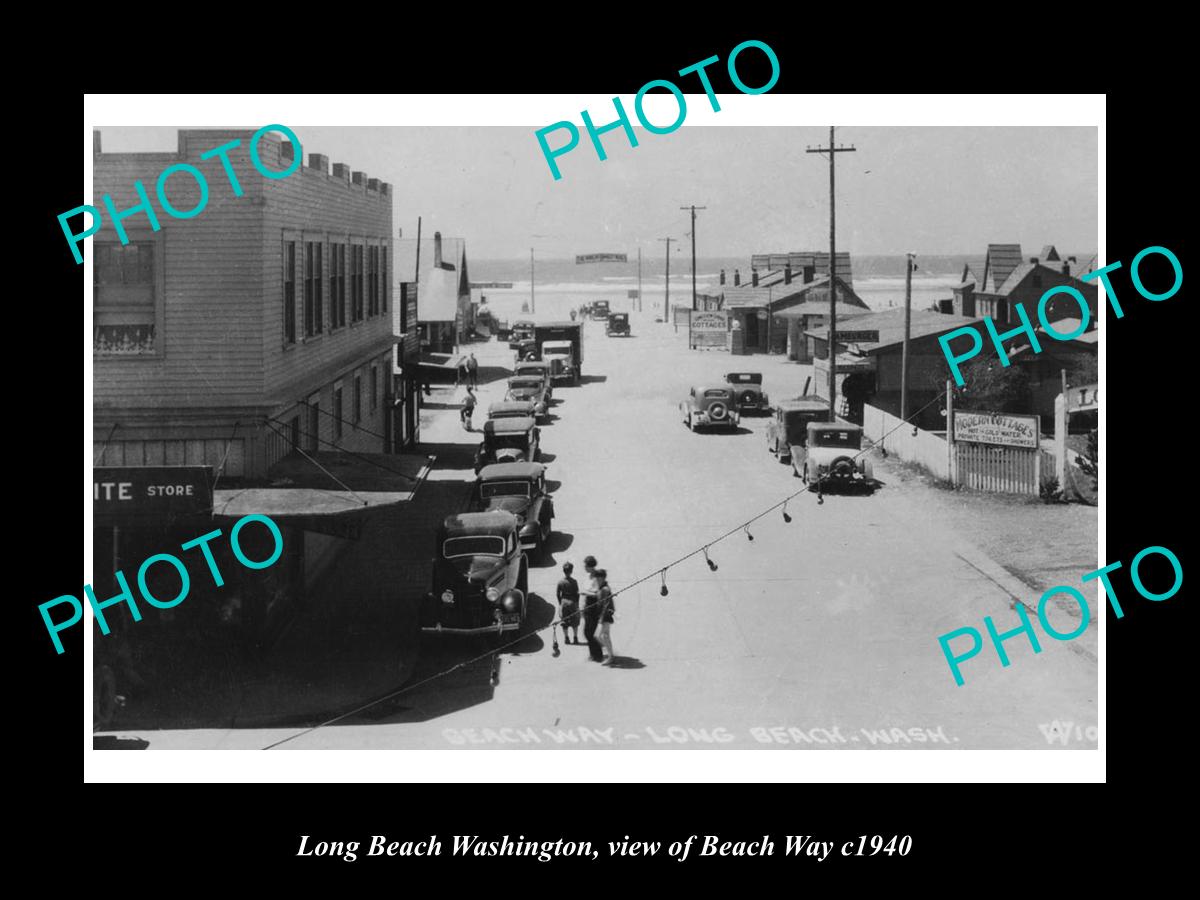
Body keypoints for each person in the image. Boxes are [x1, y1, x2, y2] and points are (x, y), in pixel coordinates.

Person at [581, 563, 604, 662]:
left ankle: (598, 654)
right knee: (587, 632)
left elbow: (597, 594)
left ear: (591, 566)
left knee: (591, 633)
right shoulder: (588, 576)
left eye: (586, 565)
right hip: (587, 606)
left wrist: (585, 593)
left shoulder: (596, 577)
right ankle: (593, 653)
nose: (585, 567)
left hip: (594, 606)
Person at [594, 569, 616, 665]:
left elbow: (605, 605)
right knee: (605, 636)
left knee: (600, 636)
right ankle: (610, 655)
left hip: (605, 616)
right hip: (605, 615)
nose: (596, 580)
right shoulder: (602, 588)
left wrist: (601, 618)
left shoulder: (605, 589)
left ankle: (610, 655)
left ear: (602, 578)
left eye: (598, 578)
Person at [556, 562, 581, 645]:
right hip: (572, 602)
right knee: (575, 621)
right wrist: (577, 604)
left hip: (564, 602)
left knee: (564, 621)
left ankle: (566, 638)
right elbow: (577, 593)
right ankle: (575, 637)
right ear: (571, 571)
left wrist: (560, 603)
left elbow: (557, 594)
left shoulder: (560, 582)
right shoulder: (574, 581)